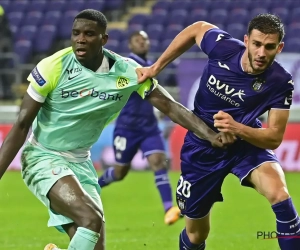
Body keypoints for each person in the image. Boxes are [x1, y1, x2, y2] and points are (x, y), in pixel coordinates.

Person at [0, 9, 232, 250]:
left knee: (94, 243)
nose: (80, 39)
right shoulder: (53, 67)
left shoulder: (126, 71)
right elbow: (21, 124)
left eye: (89, 34)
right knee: (90, 220)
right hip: (43, 156)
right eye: (76, 33)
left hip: (80, 162)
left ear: (104, 39)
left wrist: (210, 135)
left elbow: (170, 107)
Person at [136, 14, 299, 250]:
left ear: (279, 47)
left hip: (244, 142)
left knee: (280, 194)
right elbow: (196, 28)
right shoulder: (224, 48)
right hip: (201, 146)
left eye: (269, 46)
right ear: (246, 40)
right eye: (257, 44)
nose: (262, 53)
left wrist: (236, 127)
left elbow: (274, 137)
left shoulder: (280, 81)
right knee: (196, 235)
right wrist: (156, 67)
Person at [98, 30, 181, 225]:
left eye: (144, 39)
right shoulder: (127, 64)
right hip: (127, 128)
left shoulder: (152, 65)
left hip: (149, 128)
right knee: (119, 173)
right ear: (130, 45)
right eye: (137, 40)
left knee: (158, 162)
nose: (142, 43)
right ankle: (92, 186)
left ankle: (169, 209)